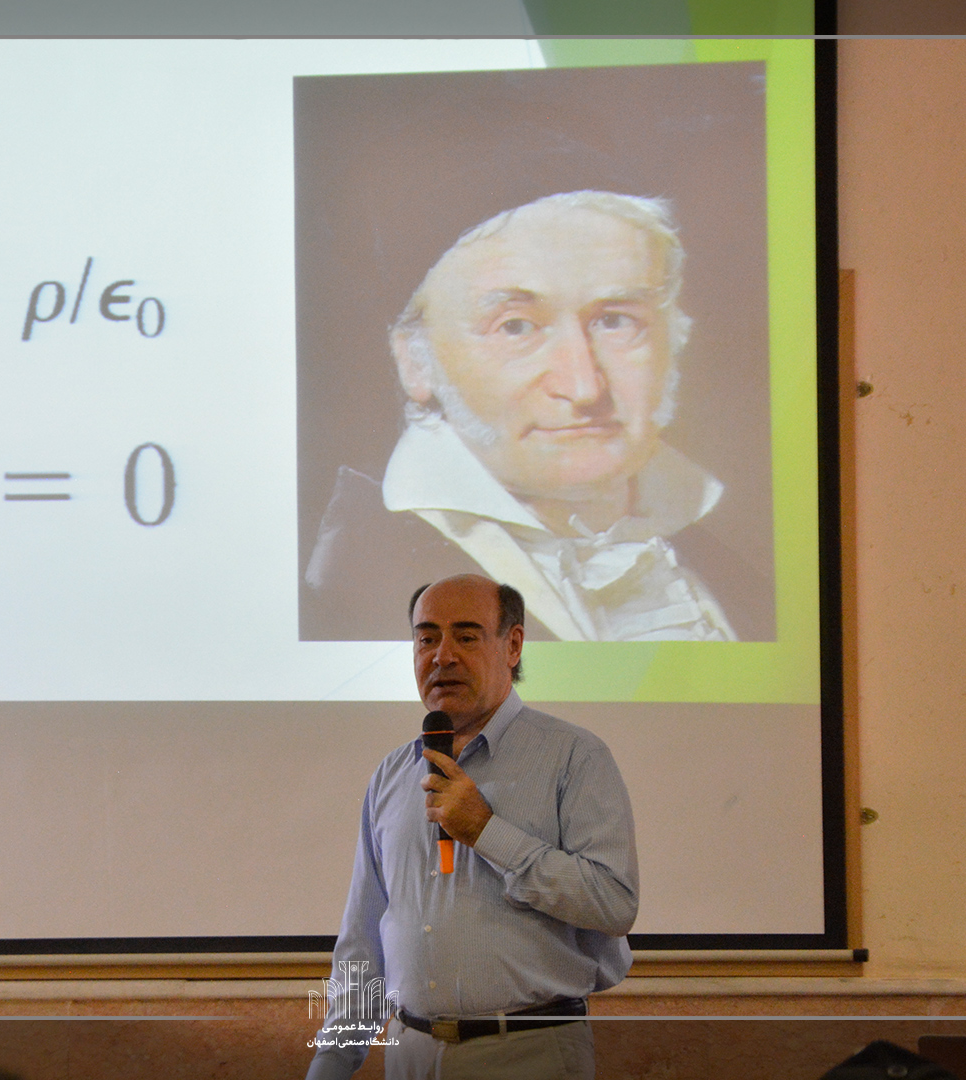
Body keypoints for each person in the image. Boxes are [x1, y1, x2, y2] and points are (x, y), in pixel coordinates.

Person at [303, 190, 770, 642]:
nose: (583, 387)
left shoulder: (738, 558)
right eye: (516, 327)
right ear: (416, 361)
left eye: (615, 321)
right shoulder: (350, 578)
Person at [305, 574, 638, 1080]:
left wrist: (486, 831)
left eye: (465, 636)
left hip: (529, 1052)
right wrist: (331, 1063)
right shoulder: (393, 775)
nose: (442, 656)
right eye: (426, 639)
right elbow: (363, 942)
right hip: (410, 1054)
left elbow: (614, 902)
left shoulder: (574, 757)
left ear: (513, 645)